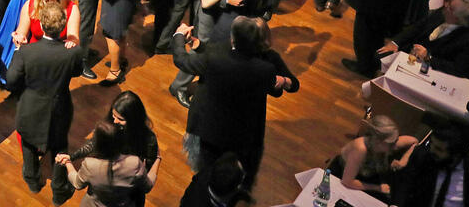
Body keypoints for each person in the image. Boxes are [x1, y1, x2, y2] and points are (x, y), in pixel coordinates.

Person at [171, 16, 298, 188]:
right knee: (235, 175)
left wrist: (179, 35)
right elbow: (285, 88)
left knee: (207, 172)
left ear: (234, 39)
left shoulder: (218, 56)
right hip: (242, 131)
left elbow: (182, 60)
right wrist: (284, 81)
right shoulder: (266, 66)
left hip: (210, 128)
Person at [7, 0, 83, 201]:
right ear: (63, 26)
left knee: (29, 144)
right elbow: (77, 71)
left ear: (40, 25)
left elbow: (11, 80)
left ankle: (32, 180)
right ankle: (59, 191)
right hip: (60, 107)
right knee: (59, 146)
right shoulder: (72, 52)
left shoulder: (26, 52)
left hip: (30, 107)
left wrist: (16, 50)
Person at [57, 120, 148, 207]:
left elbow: (77, 184)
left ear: (98, 144)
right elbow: (147, 186)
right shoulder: (134, 163)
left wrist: (68, 162)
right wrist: (158, 159)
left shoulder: (90, 165)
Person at [328, 114, 418, 200]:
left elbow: (414, 141)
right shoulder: (360, 149)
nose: (395, 145)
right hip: (344, 174)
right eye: (390, 143)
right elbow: (347, 181)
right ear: (378, 141)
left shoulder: (390, 144)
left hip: (367, 174)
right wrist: (378, 188)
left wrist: (403, 160)